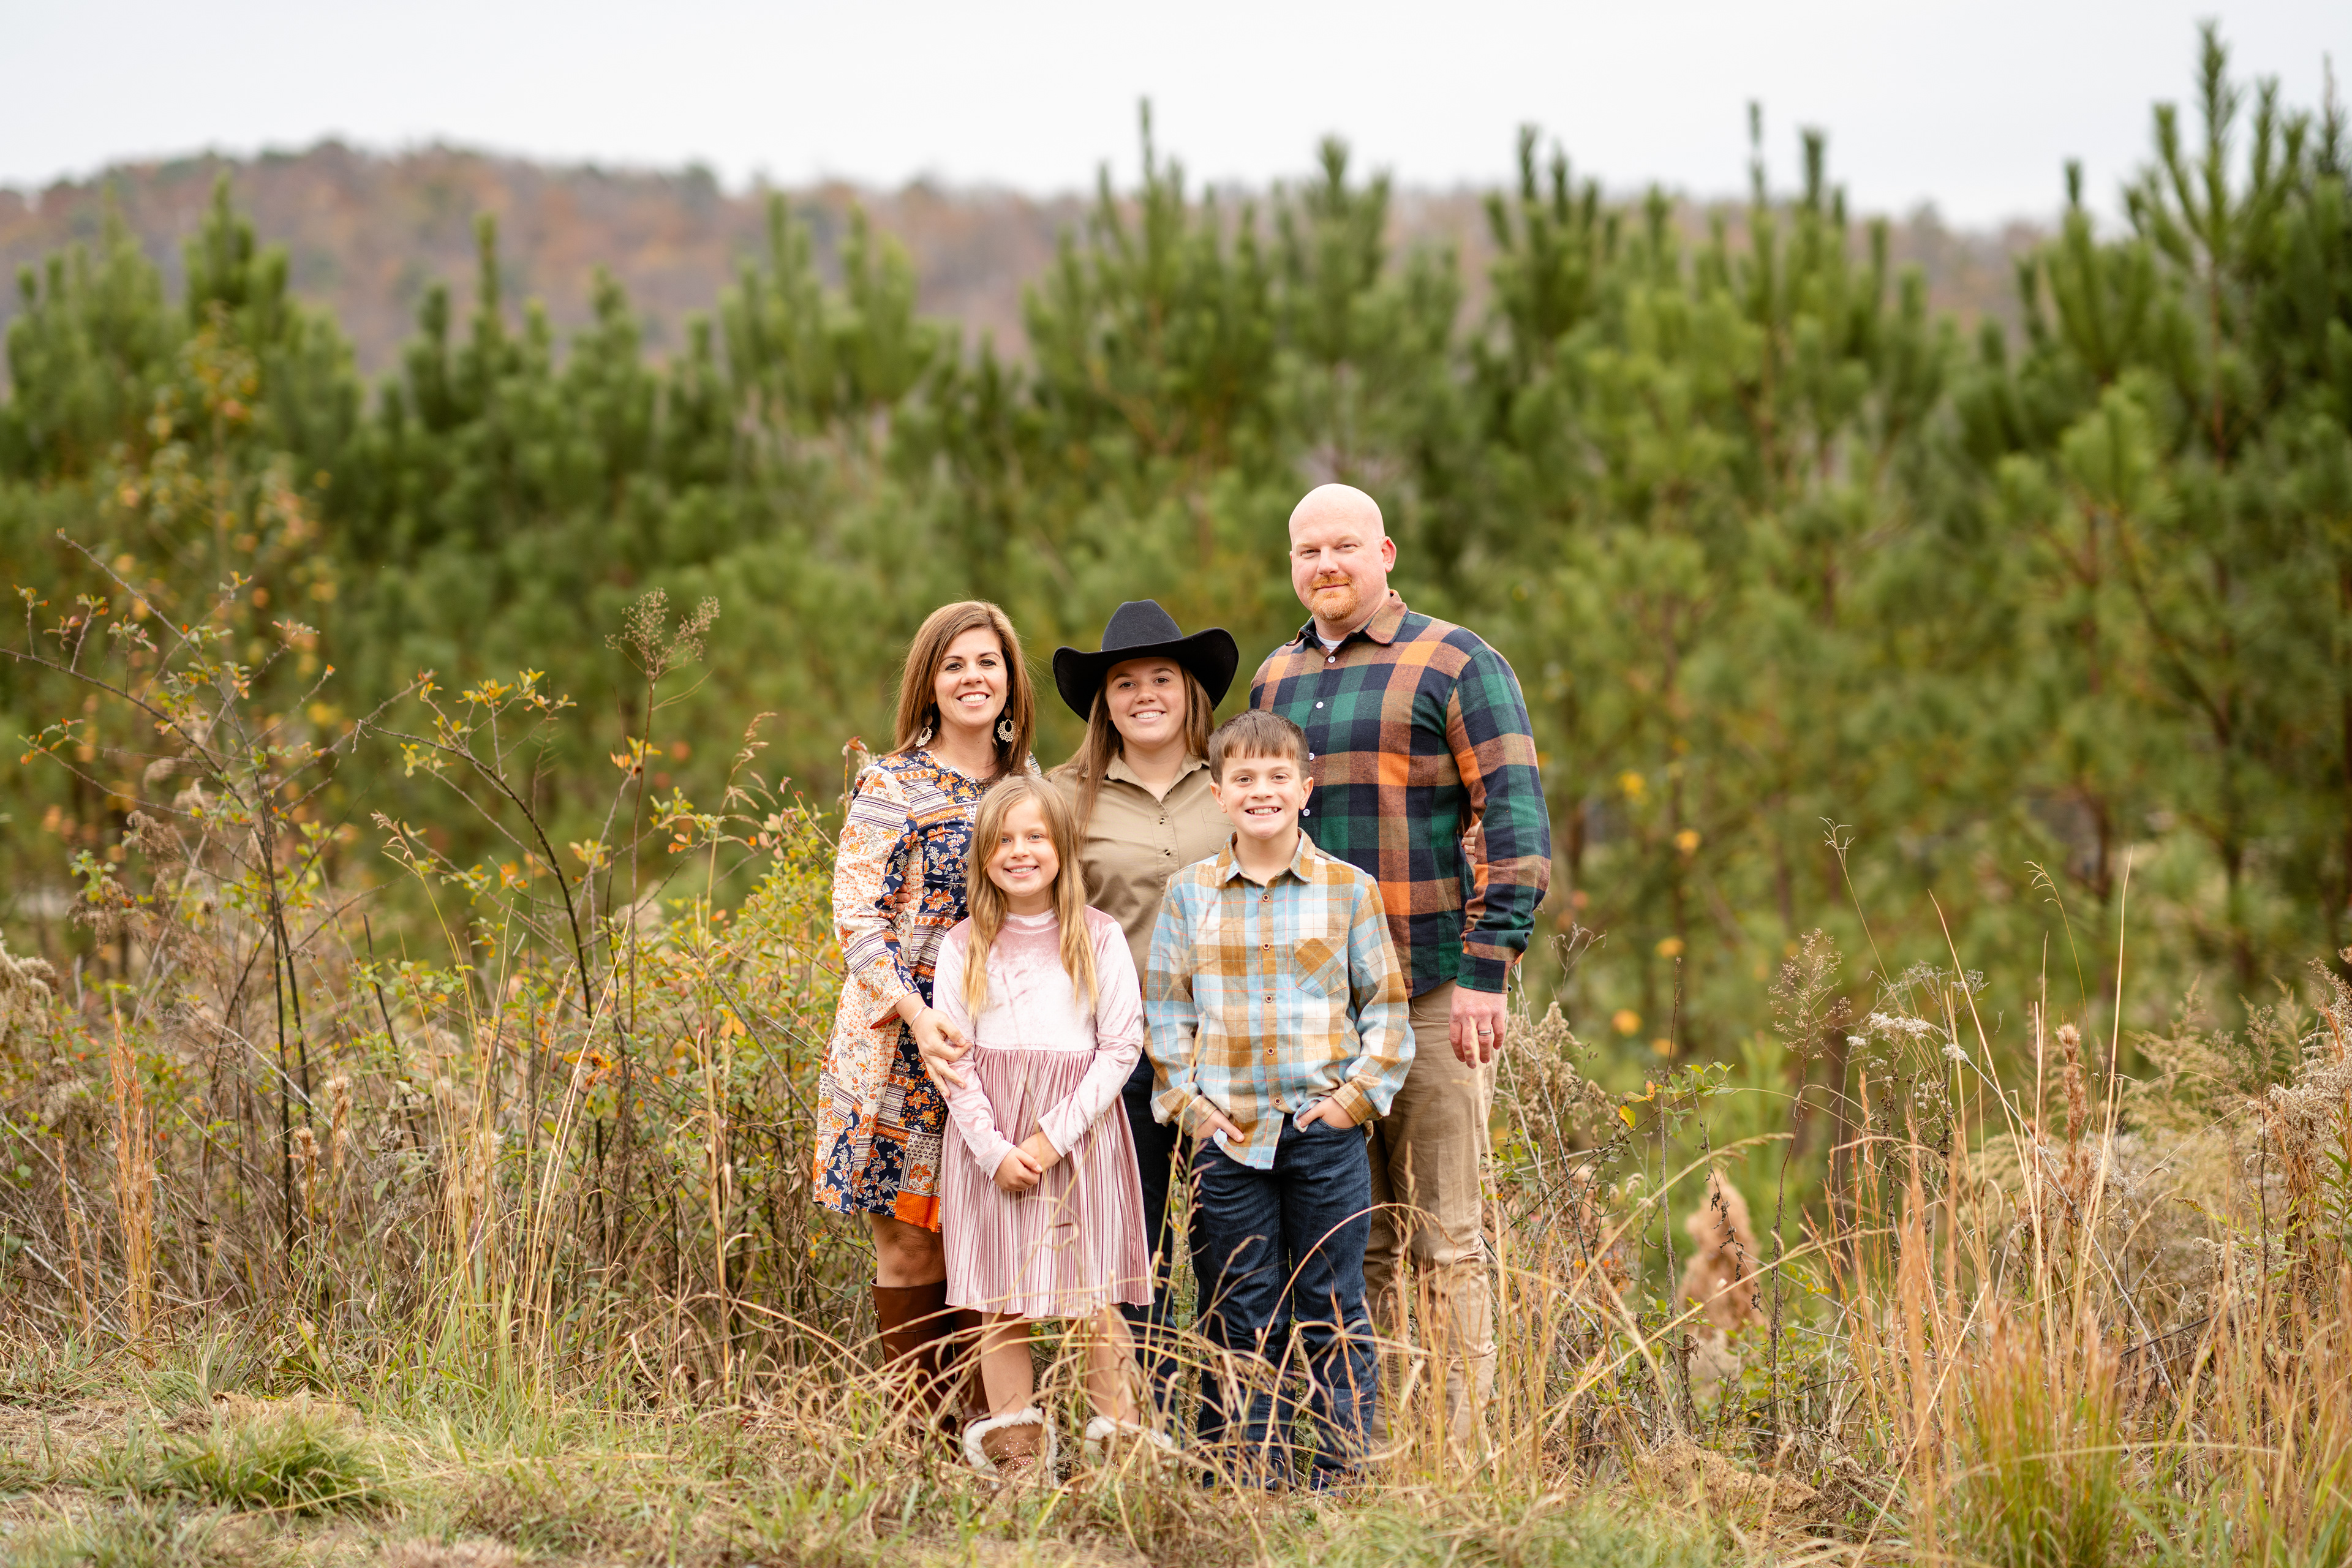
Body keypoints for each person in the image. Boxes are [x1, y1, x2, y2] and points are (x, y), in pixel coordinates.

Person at [1249, 483, 1552, 1453]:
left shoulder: (1457, 661)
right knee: (1358, 1241)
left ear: (1385, 552)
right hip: (1316, 1014)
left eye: (1343, 546)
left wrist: (1487, 969)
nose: (1325, 566)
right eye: (1306, 552)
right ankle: (1379, 1445)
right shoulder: (1275, 681)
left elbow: (1515, 822)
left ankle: (1460, 1453)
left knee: (1446, 1239)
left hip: (1428, 994)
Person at [1145, 710, 1411, 1487]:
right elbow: (1167, 1018)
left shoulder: (1347, 891)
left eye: (1276, 776)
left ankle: (1342, 1471)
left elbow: (1387, 1015)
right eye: (1243, 779)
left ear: (1306, 786)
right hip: (1230, 1142)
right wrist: (1193, 1111)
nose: (1261, 791)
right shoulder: (1189, 894)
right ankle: (1244, 1472)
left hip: (1322, 1137)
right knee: (1239, 1308)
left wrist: (1352, 1104)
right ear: (1220, 795)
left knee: (1332, 1306)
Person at [812, 599, 1039, 1428]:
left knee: (991, 1243)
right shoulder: (892, 782)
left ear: (1011, 679)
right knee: (912, 1242)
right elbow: (855, 912)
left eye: (988, 662)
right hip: (903, 1048)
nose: (974, 678)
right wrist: (914, 1013)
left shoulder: (1030, 787)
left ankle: (994, 1443)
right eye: (955, 665)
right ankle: (923, 1445)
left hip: (1004, 1046)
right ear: (929, 684)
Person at [933, 777, 1167, 1479]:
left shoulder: (1097, 935)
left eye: (1036, 836)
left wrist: (1047, 1138)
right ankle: (1017, 1463)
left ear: (1064, 848)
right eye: (1004, 840)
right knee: (1000, 1300)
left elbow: (1122, 1047)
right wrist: (996, 1148)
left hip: (1079, 1139)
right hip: (990, 1145)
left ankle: (1120, 1455)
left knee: (1092, 1297)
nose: (1020, 851)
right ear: (983, 854)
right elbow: (954, 1061)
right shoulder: (962, 943)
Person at [1046, 600, 1237, 1409]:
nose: (1145, 694)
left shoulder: (1235, 779)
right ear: (1105, 701)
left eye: (1163, 678)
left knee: (1232, 1248)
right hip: (1118, 1055)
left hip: (1233, 1050)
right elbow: (1040, 920)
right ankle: (1137, 1433)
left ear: (1191, 691)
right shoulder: (1062, 795)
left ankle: (1232, 1442)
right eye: (1125, 683)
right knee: (1131, 1252)